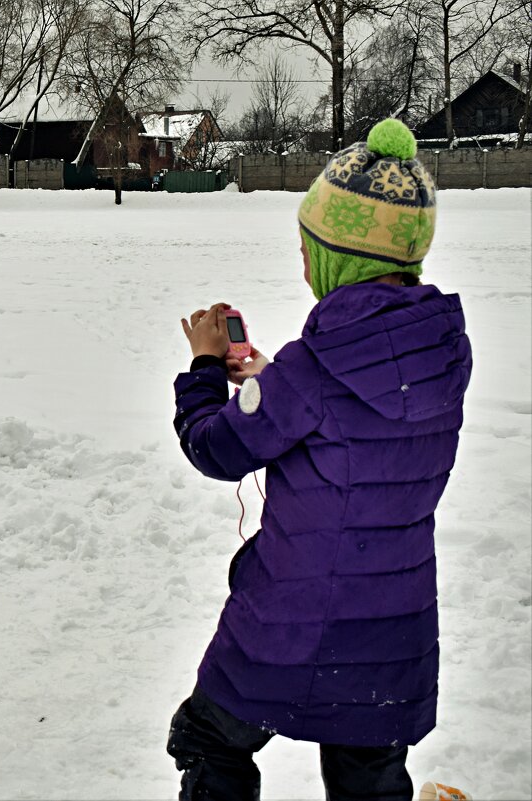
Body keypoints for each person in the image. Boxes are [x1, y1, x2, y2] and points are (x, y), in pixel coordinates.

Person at [167, 118, 471, 799]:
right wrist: (269, 378)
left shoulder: (310, 373)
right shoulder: (446, 352)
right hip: (393, 631)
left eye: (311, 250)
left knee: (210, 737)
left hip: (293, 623)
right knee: (368, 775)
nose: (305, 264)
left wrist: (206, 370)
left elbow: (216, 446)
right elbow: (357, 411)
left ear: (340, 258)